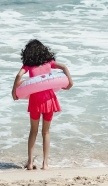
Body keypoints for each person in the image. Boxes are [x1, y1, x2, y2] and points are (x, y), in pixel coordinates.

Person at [11, 39, 73, 170]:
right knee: (46, 132)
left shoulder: (28, 65)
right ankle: (45, 164)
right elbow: (64, 67)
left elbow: (18, 75)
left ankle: (29, 163)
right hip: (49, 99)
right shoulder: (49, 62)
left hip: (35, 100)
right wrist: (70, 83)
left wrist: (14, 91)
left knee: (33, 131)